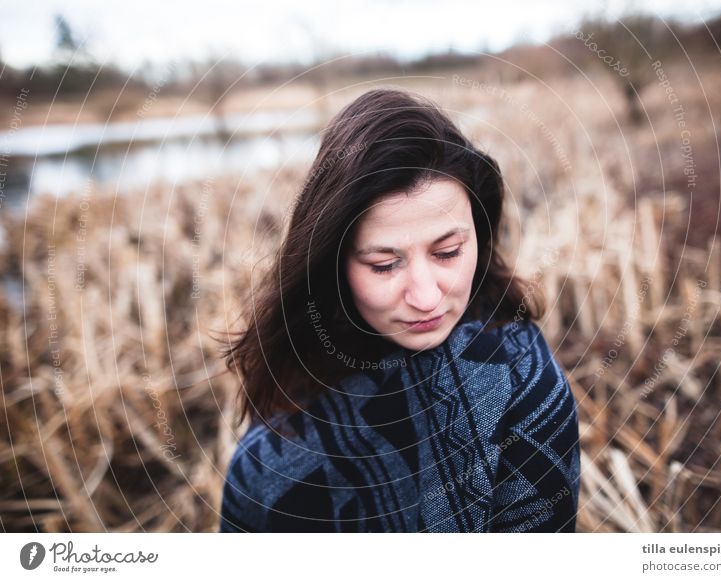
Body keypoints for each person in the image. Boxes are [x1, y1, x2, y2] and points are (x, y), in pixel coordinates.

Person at [218, 87, 581, 532]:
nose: (426, 298)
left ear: (480, 235)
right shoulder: (277, 453)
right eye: (385, 264)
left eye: (447, 252)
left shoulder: (523, 388)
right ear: (332, 262)